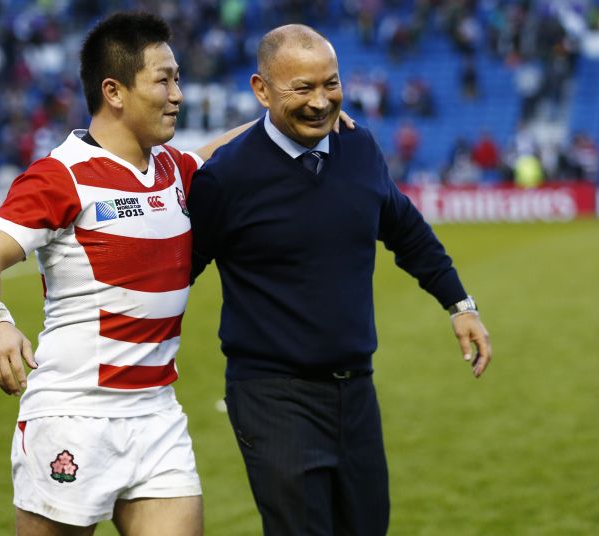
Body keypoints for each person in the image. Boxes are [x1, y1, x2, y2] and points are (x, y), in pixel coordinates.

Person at [187, 24, 492, 535]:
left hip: (355, 393)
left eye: (330, 84)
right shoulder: (226, 177)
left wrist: (459, 305)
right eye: (302, 88)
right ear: (261, 90)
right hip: (272, 396)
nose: (320, 101)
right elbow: (177, 273)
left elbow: (407, 231)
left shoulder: (359, 148)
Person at [0, 11, 252, 535]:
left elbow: (218, 153)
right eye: (163, 80)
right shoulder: (61, 176)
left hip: (157, 414)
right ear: (113, 91)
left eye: (178, 79)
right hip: (73, 415)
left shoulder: (172, 169)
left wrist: (285, 117)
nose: (178, 94)